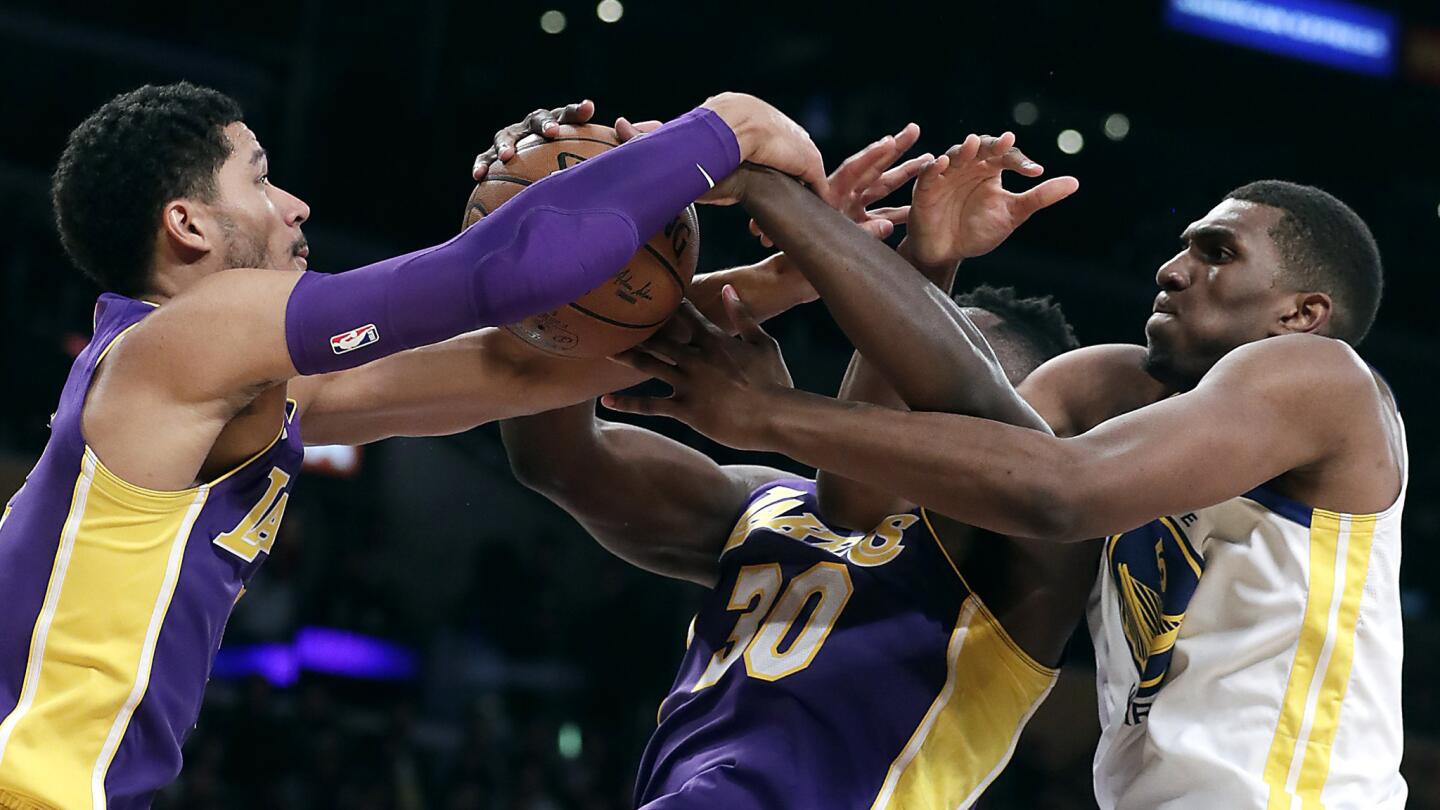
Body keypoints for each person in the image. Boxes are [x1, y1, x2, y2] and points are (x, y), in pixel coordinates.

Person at [0, 82, 826, 808]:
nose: (295, 204)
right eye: (257, 176)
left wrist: (789, 276)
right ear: (186, 224)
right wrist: (727, 128)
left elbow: (520, 369)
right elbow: (502, 272)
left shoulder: (219, 386)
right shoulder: (183, 342)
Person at [606, 166, 1406, 809]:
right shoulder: (1109, 387)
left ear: (1302, 312)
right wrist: (929, 257)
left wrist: (771, 407)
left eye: (1217, 252)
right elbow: (858, 500)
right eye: (1185, 247)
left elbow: (1060, 494)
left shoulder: (1321, 376)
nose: (1172, 268)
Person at [504, 132, 1087, 807]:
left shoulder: (1034, 556)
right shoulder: (771, 505)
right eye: (906, 343)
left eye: (941, 367)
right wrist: (577, 285)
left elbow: (861, 494)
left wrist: (927, 259)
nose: (911, 370)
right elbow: (559, 460)